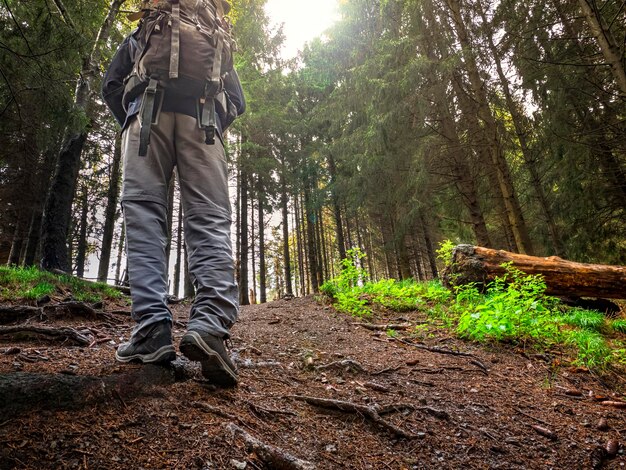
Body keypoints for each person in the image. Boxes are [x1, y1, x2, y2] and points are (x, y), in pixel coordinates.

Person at [101, 4, 245, 387]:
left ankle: (152, 330)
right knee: (210, 218)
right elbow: (238, 101)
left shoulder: (144, 32)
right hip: (205, 121)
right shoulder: (214, 33)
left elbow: (110, 86)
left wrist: (133, 116)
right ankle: (210, 326)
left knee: (146, 216)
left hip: (146, 117)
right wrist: (209, 119)